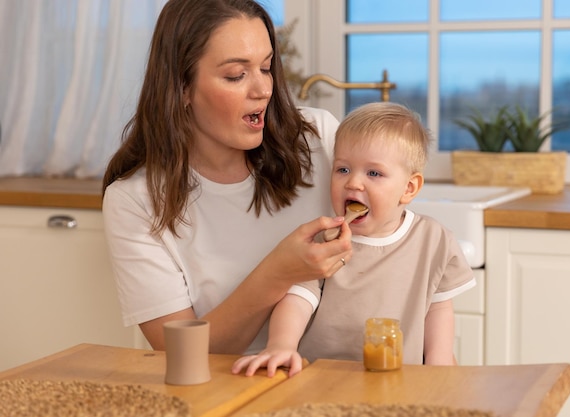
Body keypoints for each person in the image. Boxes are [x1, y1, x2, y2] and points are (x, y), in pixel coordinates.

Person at [101, 0, 353, 355]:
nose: (263, 89)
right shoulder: (135, 200)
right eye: (237, 75)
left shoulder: (320, 138)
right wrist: (278, 272)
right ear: (182, 87)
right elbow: (181, 354)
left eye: (266, 68)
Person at [232, 102, 476, 377]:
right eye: (343, 169)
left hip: (400, 378)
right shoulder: (326, 242)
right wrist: (280, 345)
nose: (353, 183)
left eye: (373, 173)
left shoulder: (435, 240)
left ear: (408, 188)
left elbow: (439, 308)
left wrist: (439, 365)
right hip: (323, 376)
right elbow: (298, 300)